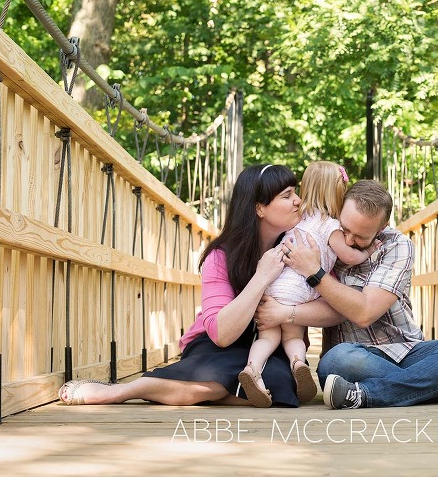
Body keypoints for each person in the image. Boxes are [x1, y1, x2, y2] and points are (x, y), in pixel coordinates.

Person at [58, 163, 306, 407]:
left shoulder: (300, 247)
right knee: (244, 374)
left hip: (265, 346)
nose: (298, 200)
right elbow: (221, 335)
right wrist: (261, 277)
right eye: (287, 195)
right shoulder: (220, 256)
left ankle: (200, 392)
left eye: (295, 192)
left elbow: (327, 307)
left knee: (281, 381)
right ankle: (122, 391)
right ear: (259, 208)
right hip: (217, 347)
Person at [255, 179, 438, 409]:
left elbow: (365, 313)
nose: (349, 240)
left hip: (407, 350)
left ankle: (367, 394)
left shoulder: (397, 245)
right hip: (353, 357)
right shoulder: (325, 238)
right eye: (345, 229)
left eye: (360, 237)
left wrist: (314, 273)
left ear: (381, 229)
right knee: (334, 361)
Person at [238, 161, 379, 407]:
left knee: (267, 338)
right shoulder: (333, 227)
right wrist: (368, 252)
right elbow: (348, 256)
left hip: (274, 285)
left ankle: (252, 371)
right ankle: (299, 364)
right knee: (292, 335)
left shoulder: (298, 220)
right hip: (298, 290)